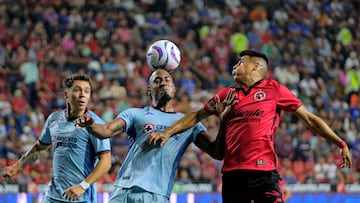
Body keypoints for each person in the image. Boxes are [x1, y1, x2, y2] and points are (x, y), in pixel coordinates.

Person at [147, 50, 352, 203]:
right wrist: (168, 131)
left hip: (263, 173)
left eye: (241, 62)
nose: (235, 66)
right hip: (232, 175)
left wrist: (340, 142)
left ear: (255, 67)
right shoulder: (227, 94)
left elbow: (310, 119)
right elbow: (195, 116)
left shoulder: (274, 89)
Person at [75, 69, 235, 203]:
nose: (163, 83)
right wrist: (91, 124)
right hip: (124, 191)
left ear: (173, 88)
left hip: (157, 196)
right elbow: (105, 131)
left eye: (167, 80)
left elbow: (217, 152)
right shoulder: (135, 114)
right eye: (157, 81)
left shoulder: (187, 123)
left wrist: (223, 121)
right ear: (150, 89)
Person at [1, 73, 112, 202]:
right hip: (52, 197)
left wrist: (82, 186)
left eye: (87, 91)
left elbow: (106, 161)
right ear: (66, 95)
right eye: (77, 90)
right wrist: (17, 166)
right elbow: (39, 148)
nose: (83, 94)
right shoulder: (54, 119)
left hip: (80, 198)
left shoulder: (96, 124)